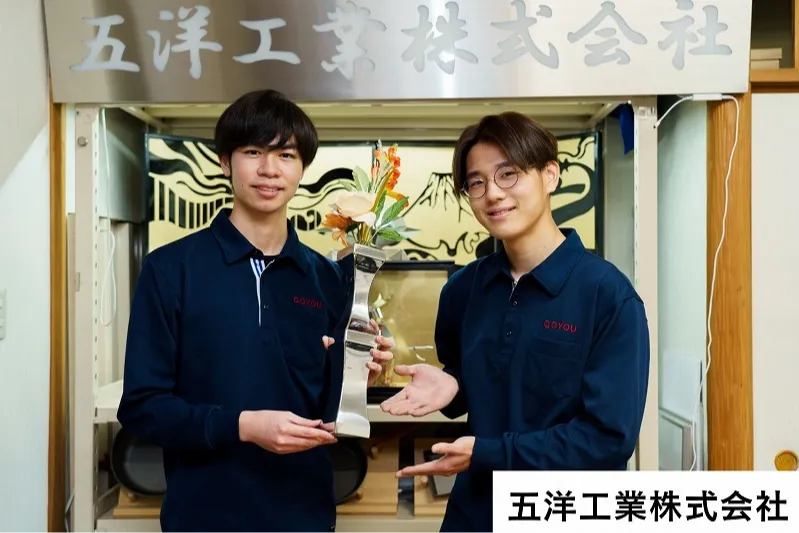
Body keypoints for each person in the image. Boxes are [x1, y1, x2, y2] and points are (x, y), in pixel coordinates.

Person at [117, 89, 393, 533]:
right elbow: (142, 408)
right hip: (202, 519)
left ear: (302, 168)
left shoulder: (328, 279)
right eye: (252, 152)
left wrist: (361, 373)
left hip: (305, 515)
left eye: (286, 155)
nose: (269, 169)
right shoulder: (170, 269)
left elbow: (329, 408)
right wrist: (242, 426)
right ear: (225, 162)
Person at [380, 112, 650, 532]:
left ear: (549, 175)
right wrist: (453, 385)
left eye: (508, 174)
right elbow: (481, 385)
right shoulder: (462, 290)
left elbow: (609, 439)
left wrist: (489, 454)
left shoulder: (607, 295)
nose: (492, 193)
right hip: (474, 515)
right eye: (476, 182)